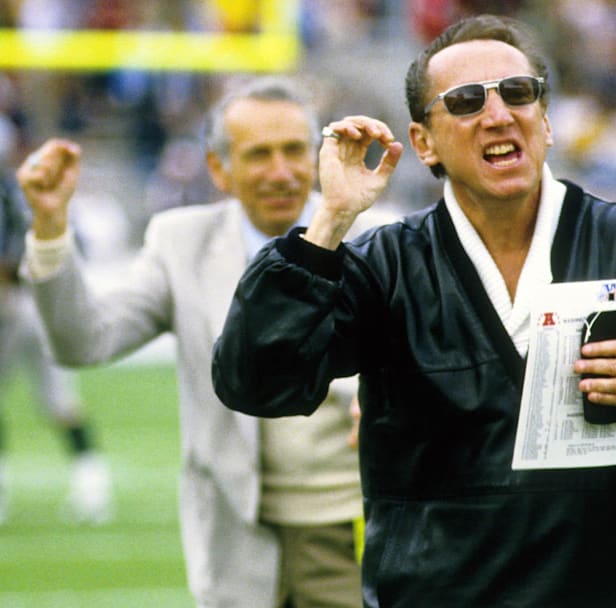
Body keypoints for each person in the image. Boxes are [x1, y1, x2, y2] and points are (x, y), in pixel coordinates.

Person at [212, 14, 616, 607]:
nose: (499, 113)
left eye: (518, 92)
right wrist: (328, 223)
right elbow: (256, 381)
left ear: (547, 120)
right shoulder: (386, 264)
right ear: (423, 141)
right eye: (465, 101)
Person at [16, 77, 382, 608]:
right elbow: (85, 341)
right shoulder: (180, 241)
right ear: (219, 170)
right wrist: (49, 229)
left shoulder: (379, 237)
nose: (280, 172)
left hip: (351, 526)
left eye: (293, 151)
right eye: (259, 154)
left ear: (319, 156)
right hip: (235, 533)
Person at [0, 125, 112, 525]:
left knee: (56, 401)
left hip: (13, 306)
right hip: (42, 304)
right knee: (61, 402)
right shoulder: (25, 191)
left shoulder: (12, 197)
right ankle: (93, 484)